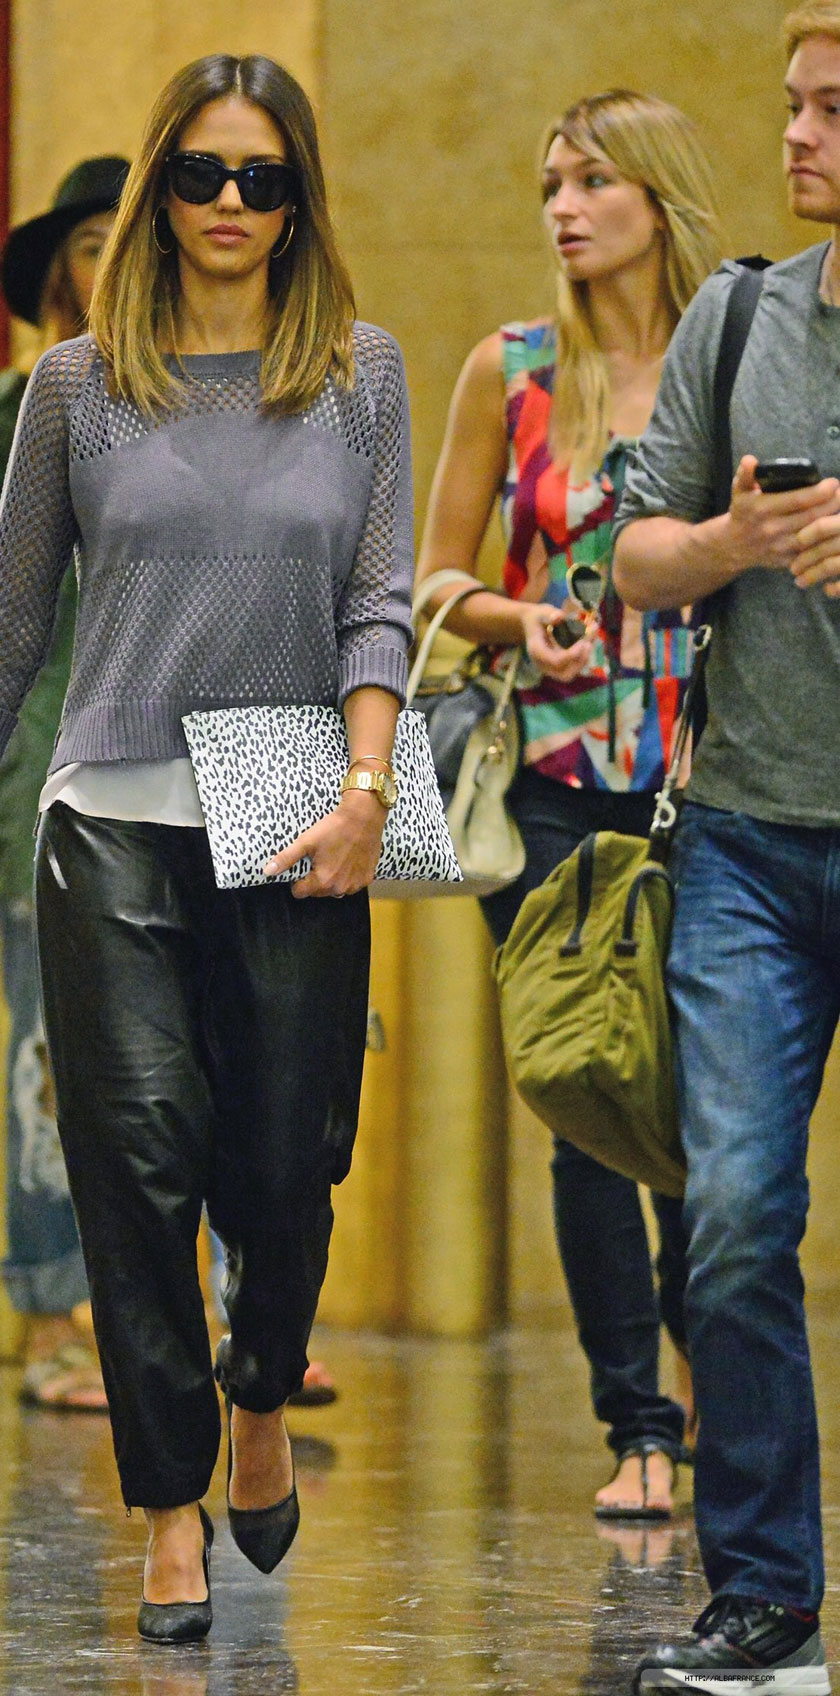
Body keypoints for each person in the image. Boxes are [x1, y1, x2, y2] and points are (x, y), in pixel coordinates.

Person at [0, 51, 413, 1644]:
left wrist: (368, 788)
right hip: (109, 799)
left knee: (283, 1161)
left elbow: (379, 603)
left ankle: (262, 1392)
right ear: (156, 188)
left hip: (290, 791)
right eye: (203, 174)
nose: (233, 206)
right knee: (137, 1166)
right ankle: (170, 1507)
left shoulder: (362, 372)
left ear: (301, 198)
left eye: (265, 180)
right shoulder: (76, 385)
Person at [414, 90, 723, 1518]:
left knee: (711, 1104)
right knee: (589, 1095)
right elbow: (427, 580)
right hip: (547, 789)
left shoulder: (742, 354)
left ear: (657, 198)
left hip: (715, 781)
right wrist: (509, 617)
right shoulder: (514, 371)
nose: (564, 206)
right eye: (551, 181)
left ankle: (726, 1375)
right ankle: (637, 1424)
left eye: (594, 180)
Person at [614, 9, 840, 1689]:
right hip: (750, 845)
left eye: (834, 108)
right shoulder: (738, 311)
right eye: (795, 105)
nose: (803, 135)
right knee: (739, 1218)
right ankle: (764, 1590)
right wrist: (732, 540)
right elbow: (631, 554)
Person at [0, 155, 129, 1413]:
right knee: (50, 1052)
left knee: (196, 1047)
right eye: (94, 241)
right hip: (36, 775)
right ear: (59, 270)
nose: (115, 266)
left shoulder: (210, 411)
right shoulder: (5, 412)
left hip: (187, 771)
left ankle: (210, 1307)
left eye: (130, 239)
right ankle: (55, 1315)